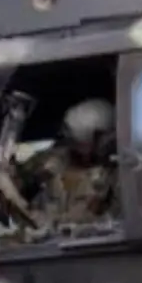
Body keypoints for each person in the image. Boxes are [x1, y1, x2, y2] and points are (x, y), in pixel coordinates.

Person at [8, 98, 118, 236]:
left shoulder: (117, 175)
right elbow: (13, 184)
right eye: (73, 143)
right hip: (37, 245)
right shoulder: (51, 159)